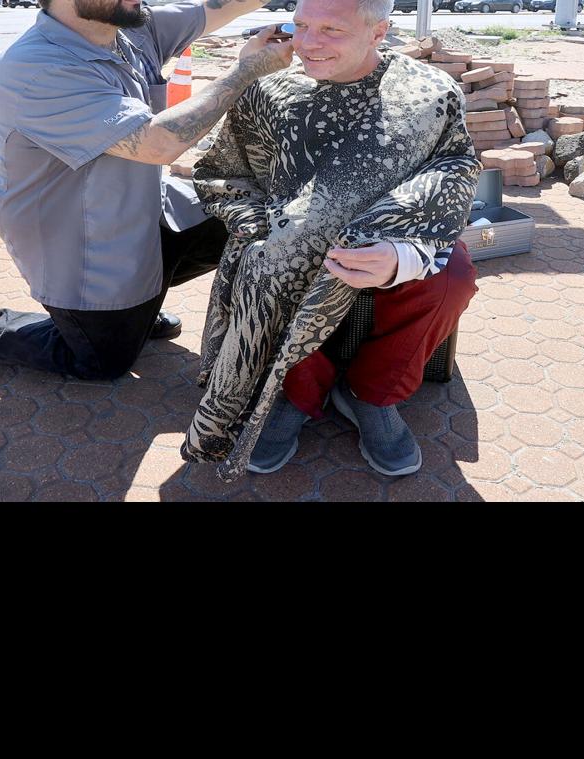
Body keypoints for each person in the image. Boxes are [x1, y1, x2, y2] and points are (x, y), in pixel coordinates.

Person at [0, 0, 292, 382]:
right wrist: (245, 71)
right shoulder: (36, 69)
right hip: (85, 247)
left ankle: (139, 308)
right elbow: (159, 144)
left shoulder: (129, 26)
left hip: (144, 206)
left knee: (255, 219)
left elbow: (217, 6)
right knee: (100, 363)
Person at [180, 0, 479, 481]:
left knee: (454, 277)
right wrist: (264, 231)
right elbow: (223, 174)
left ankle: (370, 397)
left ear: (377, 31)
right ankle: (294, 396)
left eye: (331, 30)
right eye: (300, 26)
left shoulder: (429, 93)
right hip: (287, 244)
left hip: (389, 245)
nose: (308, 43)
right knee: (277, 264)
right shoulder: (268, 92)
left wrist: (403, 256)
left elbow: (456, 170)